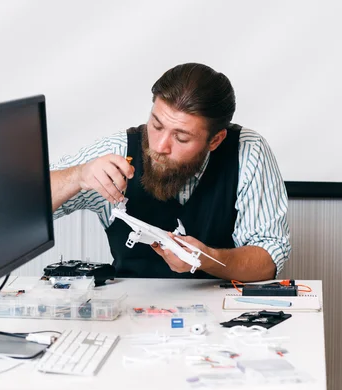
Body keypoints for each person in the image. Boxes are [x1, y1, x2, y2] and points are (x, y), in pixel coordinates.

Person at [50, 63, 290, 282]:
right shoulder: (119, 149)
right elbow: (24, 207)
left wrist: (209, 258)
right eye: (156, 125)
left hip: (223, 311)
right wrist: (77, 176)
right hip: (130, 311)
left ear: (215, 140)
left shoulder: (247, 151)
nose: (159, 146)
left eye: (181, 137)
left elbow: (268, 259)